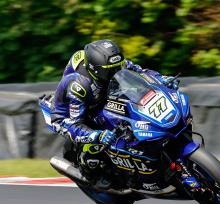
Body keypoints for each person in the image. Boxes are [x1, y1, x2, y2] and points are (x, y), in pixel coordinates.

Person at [51, 39, 178, 189]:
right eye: (109, 70)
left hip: (101, 98)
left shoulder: (113, 65)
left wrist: (161, 79)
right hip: (69, 116)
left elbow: (139, 71)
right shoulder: (79, 86)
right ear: (96, 70)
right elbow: (76, 122)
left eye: (117, 67)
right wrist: (96, 135)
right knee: (100, 138)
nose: (115, 72)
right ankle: (91, 173)